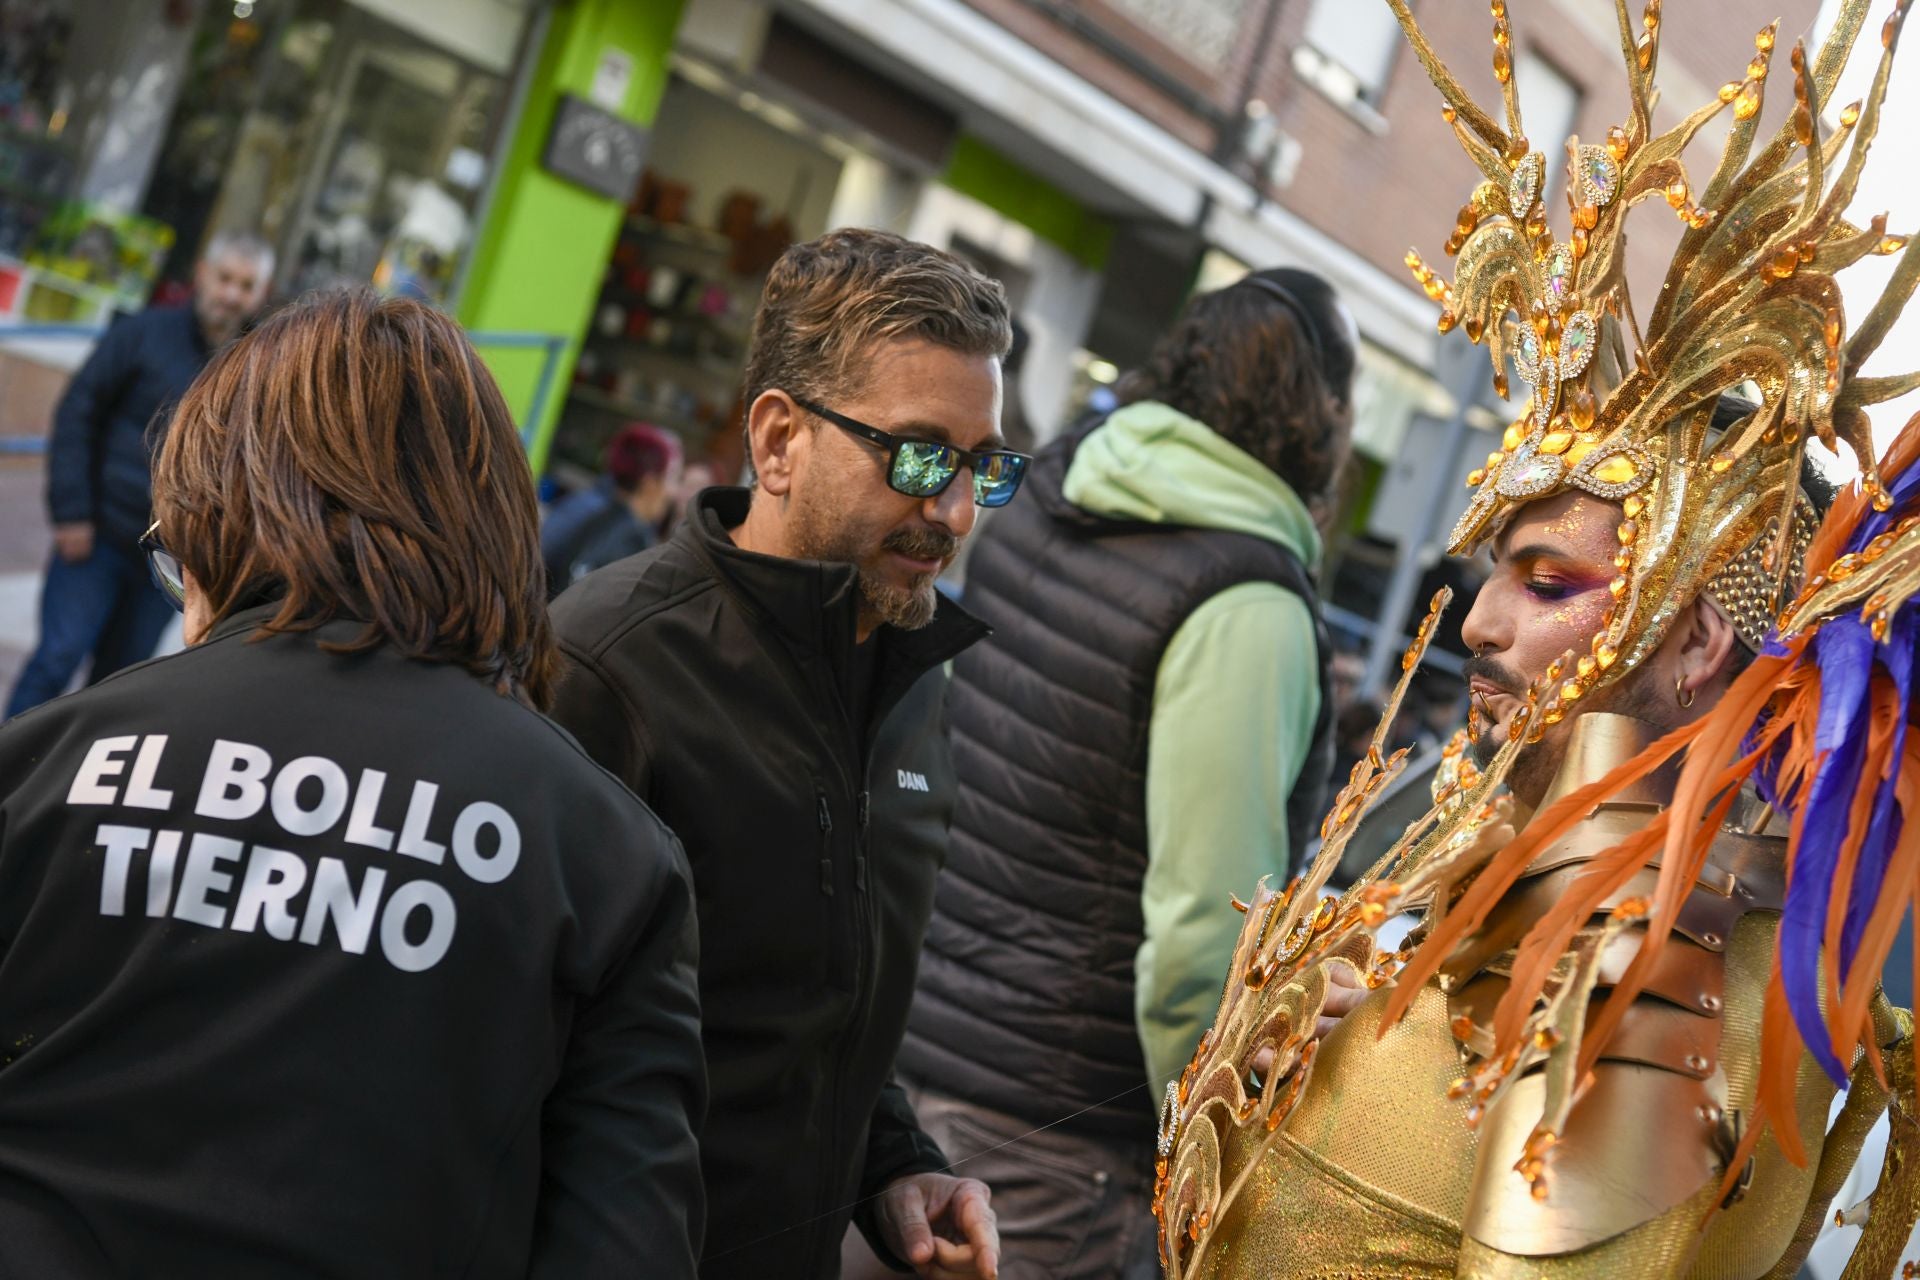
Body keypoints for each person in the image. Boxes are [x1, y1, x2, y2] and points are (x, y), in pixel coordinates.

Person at [1158, 6, 1920, 1276]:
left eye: (1547, 580)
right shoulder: (1528, 866)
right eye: (1489, 574)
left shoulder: (1649, 969)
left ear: (1691, 646)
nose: (1479, 622)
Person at [0, 290, 705, 1276]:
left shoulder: (45, 763)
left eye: (178, 560)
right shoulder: (605, 855)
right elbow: (624, 1242)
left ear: (227, 517)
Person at [548, 228, 1017, 1280]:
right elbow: (489, 1048)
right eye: (919, 455)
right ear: (776, 440)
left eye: (982, 467)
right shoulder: (602, 663)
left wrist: (893, 1161)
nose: (952, 510)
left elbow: (819, 1011)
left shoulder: (908, 673)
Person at [888, 268, 1352, 1276]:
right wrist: (1209, 1144)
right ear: (1327, 418)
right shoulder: (1245, 598)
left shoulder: (1055, 490)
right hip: (1056, 1136)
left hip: (910, 1061)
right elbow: (1204, 931)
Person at [6, 231, 274, 718]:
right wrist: (71, 514)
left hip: (173, 561)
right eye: (225, 278)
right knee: (55, 661)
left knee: (117, 687)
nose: (233, 293)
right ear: (201, 275)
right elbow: (78, 413)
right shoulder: (141, 333)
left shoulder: (252, 370)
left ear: (261, 291)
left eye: (247, 284)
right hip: (97, 537)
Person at [541, 422, 683, 597]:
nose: (675, 492)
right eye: (673, 478)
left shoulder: (587, 504)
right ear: (650, 483)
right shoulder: (627, 538)